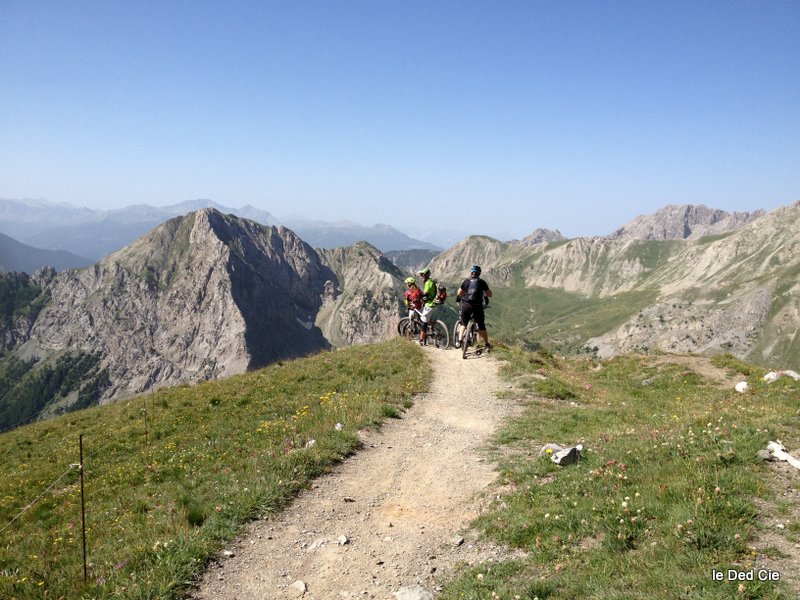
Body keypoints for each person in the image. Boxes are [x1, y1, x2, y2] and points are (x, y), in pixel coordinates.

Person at [455, 265, 492, 350]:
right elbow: (490, 294)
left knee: (464, 323)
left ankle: (459, 341)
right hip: (477, 307)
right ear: (479, 273)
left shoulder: (466, 281)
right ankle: (486, 344)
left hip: (466, 306)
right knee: (481, 326)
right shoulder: (482, 282)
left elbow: (459, 293)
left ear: (471, 272)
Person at [417, 267, 439, 345]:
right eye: (420, 275)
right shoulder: (430, 281)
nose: (421, 277)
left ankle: (421, 340)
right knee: (425, 319)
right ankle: (430, 329)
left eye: (422, 275)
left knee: (424, 322)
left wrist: (419, 299)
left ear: (426, 275)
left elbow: (425, 295)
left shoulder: (428, 283)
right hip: (432, 304)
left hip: (430, 305)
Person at [403, 276, 424, 343]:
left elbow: (407, 302)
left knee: (411, 320)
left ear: (409, 284)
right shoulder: (418, 290)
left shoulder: (408, 292)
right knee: (423, 321)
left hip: (413, 309)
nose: (407, 284)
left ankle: (410, 334)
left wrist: (408, 305)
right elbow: (423, 297)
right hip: (420, 307)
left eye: (407, 283)